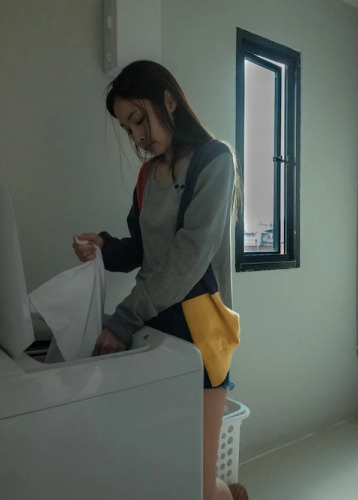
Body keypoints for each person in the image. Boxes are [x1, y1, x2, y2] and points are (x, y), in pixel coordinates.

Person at [73, 60, 248, 500]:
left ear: (168, 101)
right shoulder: (147, 175)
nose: (136, 136)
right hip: (154, 328)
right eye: (127, 128)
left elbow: (189, 255)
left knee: (197, 486)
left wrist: (122, 319)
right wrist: (104, 248)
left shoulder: (215, 160)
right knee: (162, 470)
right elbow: (144, 248)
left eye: (138, 119)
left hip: (199, 333)